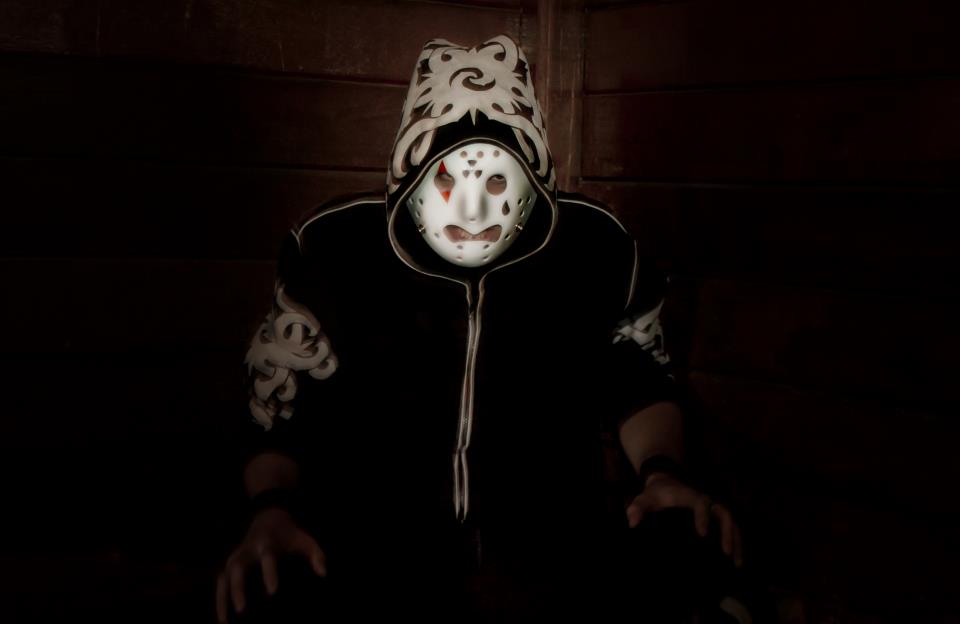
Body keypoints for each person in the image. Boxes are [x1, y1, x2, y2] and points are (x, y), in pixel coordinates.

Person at [216, 34, 750, 623]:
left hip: (550, 551)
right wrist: (270, 510)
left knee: (692, 552)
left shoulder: (595, 247)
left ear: (532, 180)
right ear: (410, 176)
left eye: (496, 182)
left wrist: (662, 474)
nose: (472, 213)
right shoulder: (333, 251)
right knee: (268, 589)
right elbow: (278, 405)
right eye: (448, 181)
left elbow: (637, 377)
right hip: (370, 550)